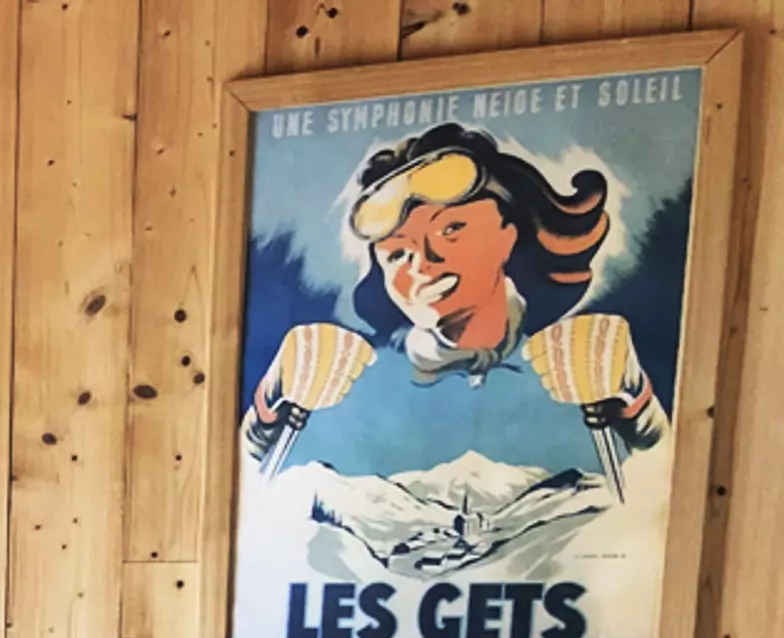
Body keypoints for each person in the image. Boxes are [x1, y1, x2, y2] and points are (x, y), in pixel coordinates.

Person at [241, 122, 666, 498]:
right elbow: (245, 499)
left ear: (509, 235)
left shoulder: (581, 367)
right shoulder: (345, 374)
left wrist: (635, 399)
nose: (422, 264)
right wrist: (271, 402)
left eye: (450, 230)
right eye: (396, 254)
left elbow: (663, 498)